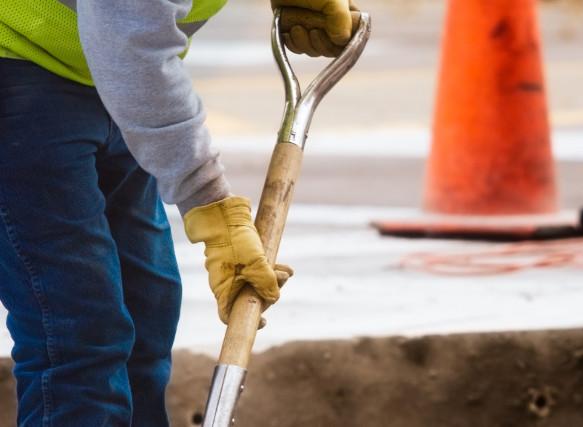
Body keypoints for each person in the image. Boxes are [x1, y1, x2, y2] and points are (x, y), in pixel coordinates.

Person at [0, 0, 359, 425]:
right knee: (79, 333)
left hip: (109, 79)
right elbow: (131, 48)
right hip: (22, 68)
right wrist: (211, 207)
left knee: (145, 315)